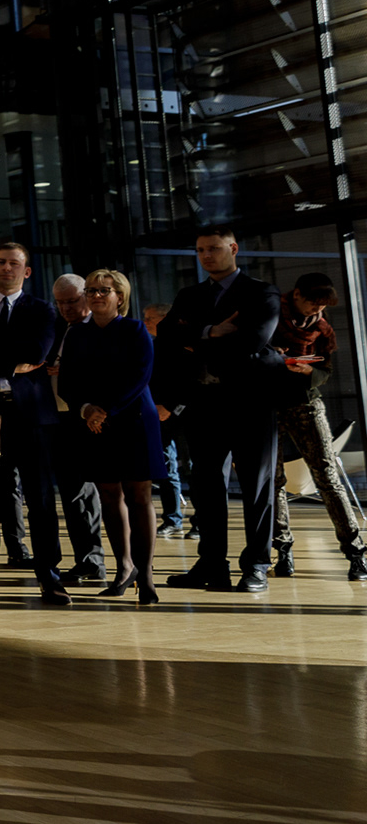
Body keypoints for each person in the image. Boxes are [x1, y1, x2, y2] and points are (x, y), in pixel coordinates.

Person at [156, 228, 282, 593]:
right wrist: (213, 330)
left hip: (250, 404)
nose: (207, 255)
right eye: (200, 250)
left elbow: (252, 341)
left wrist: (194, 341)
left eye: (214, 249)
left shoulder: (261, 292)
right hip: (204, 404)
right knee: (207, 489)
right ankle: (212, 565)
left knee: (257, 487)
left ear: (233, 249)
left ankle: (257, 565)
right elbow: (166, 336)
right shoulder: (190, 294)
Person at [59, 270, 162, 604]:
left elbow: (140, 376)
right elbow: (68, 384)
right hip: (94, 422)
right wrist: (87, 409)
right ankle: (124, 566)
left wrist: (106, 410)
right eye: (91, 291)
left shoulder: (134, 329)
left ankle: (145, 575)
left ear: (120, 295)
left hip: (133, 419)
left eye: (104, 290)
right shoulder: (75, 334)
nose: (96, 296)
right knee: (107, 494)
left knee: (139, 495)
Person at [0, 245, 61, 600]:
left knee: (40, 498)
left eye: (14, 264)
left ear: (27, 272)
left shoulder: (42, 309)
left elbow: (37, 352)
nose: (7, 268)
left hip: (32, 417)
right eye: (1, 262)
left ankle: (48, 574)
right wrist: (10, 359)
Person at [269, 273, 366, 580]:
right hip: (267, 403)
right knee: (273, 480)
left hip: (305, 401)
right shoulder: (270, 313)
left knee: (327, 476)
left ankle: (356, 552)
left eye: (322, 305)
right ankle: (282, 550)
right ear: (296, 294)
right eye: (313, 303)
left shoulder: (322, 328)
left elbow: (326, 370)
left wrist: (308, 368)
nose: (317, 311)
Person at [35, 274, 110, 595]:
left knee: (87, 490)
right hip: (55, 419)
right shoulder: (55, 328)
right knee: (70, 491)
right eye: (60, 302)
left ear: (87, 297)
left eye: (72, 301)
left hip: (88, 418)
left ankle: (96, 558)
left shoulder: (100, 329)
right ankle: (85, 558)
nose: (66, 307)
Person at [141, 302, 189, 537]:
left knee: (192, 468)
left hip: (183, 414)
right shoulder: (150, 346)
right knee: (166, 468)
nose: (146, 322)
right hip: (158, 415)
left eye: (150, 318)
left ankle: (200, 523)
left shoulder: (184, 346)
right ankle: (172, 519)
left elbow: (188, 382)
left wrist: (171, 407)